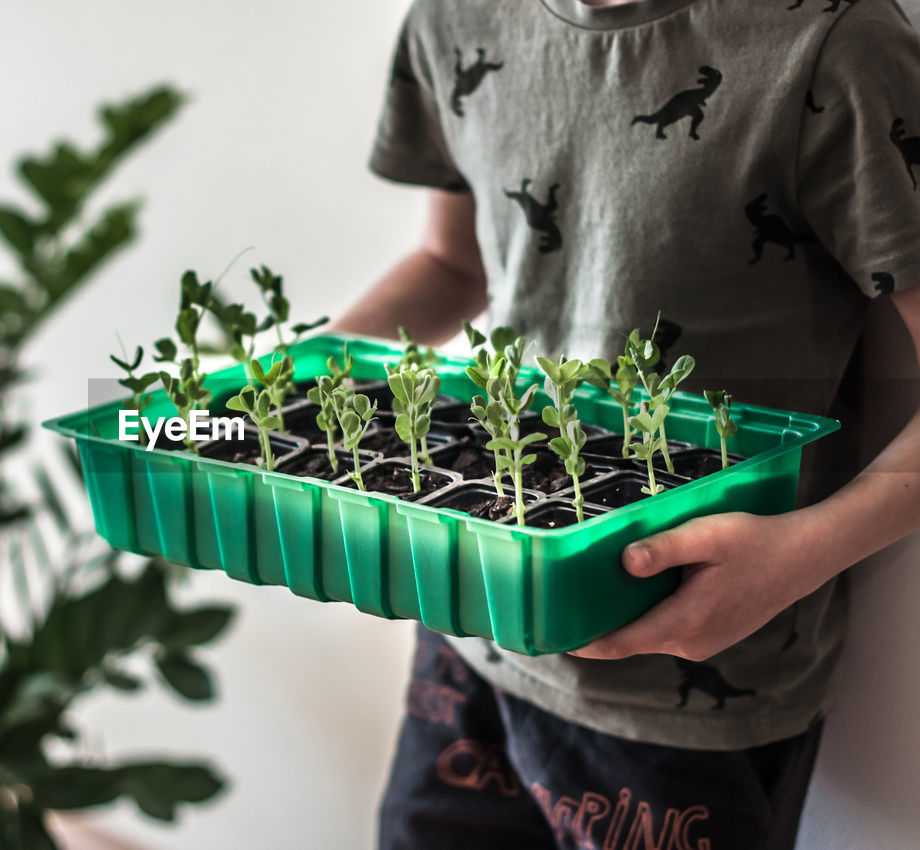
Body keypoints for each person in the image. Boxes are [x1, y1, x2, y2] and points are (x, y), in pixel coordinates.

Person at [327, 1, 920, 847]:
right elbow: (451, 262)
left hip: (685, 691)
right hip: (470, 620)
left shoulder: (835, 42)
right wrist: (288, 382)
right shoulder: (452, 19)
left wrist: (801, 553)